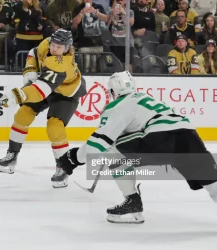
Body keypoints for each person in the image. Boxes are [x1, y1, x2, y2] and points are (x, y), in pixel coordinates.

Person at [55, 71, 217, 224]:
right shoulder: (147, 99)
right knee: (212, 182)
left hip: (161, 138)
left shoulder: (117, 105)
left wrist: (72, 158)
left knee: (111, 147)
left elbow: (97, 144)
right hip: (189, 135)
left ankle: (132, 201)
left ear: (113, 91)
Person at [0, 28, 87, 188]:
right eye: (54, 44)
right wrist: (30, 71)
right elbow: (33, 53)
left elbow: (39, 92)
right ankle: (12, 156)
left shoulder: (62, 64)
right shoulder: (46, 43)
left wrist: (17, 95)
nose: (54, 48)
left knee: (54, 126)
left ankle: (63, 167)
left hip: (66, 93)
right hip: (44, 84)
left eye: (59, 47)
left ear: (67, 48)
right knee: (22, 115)